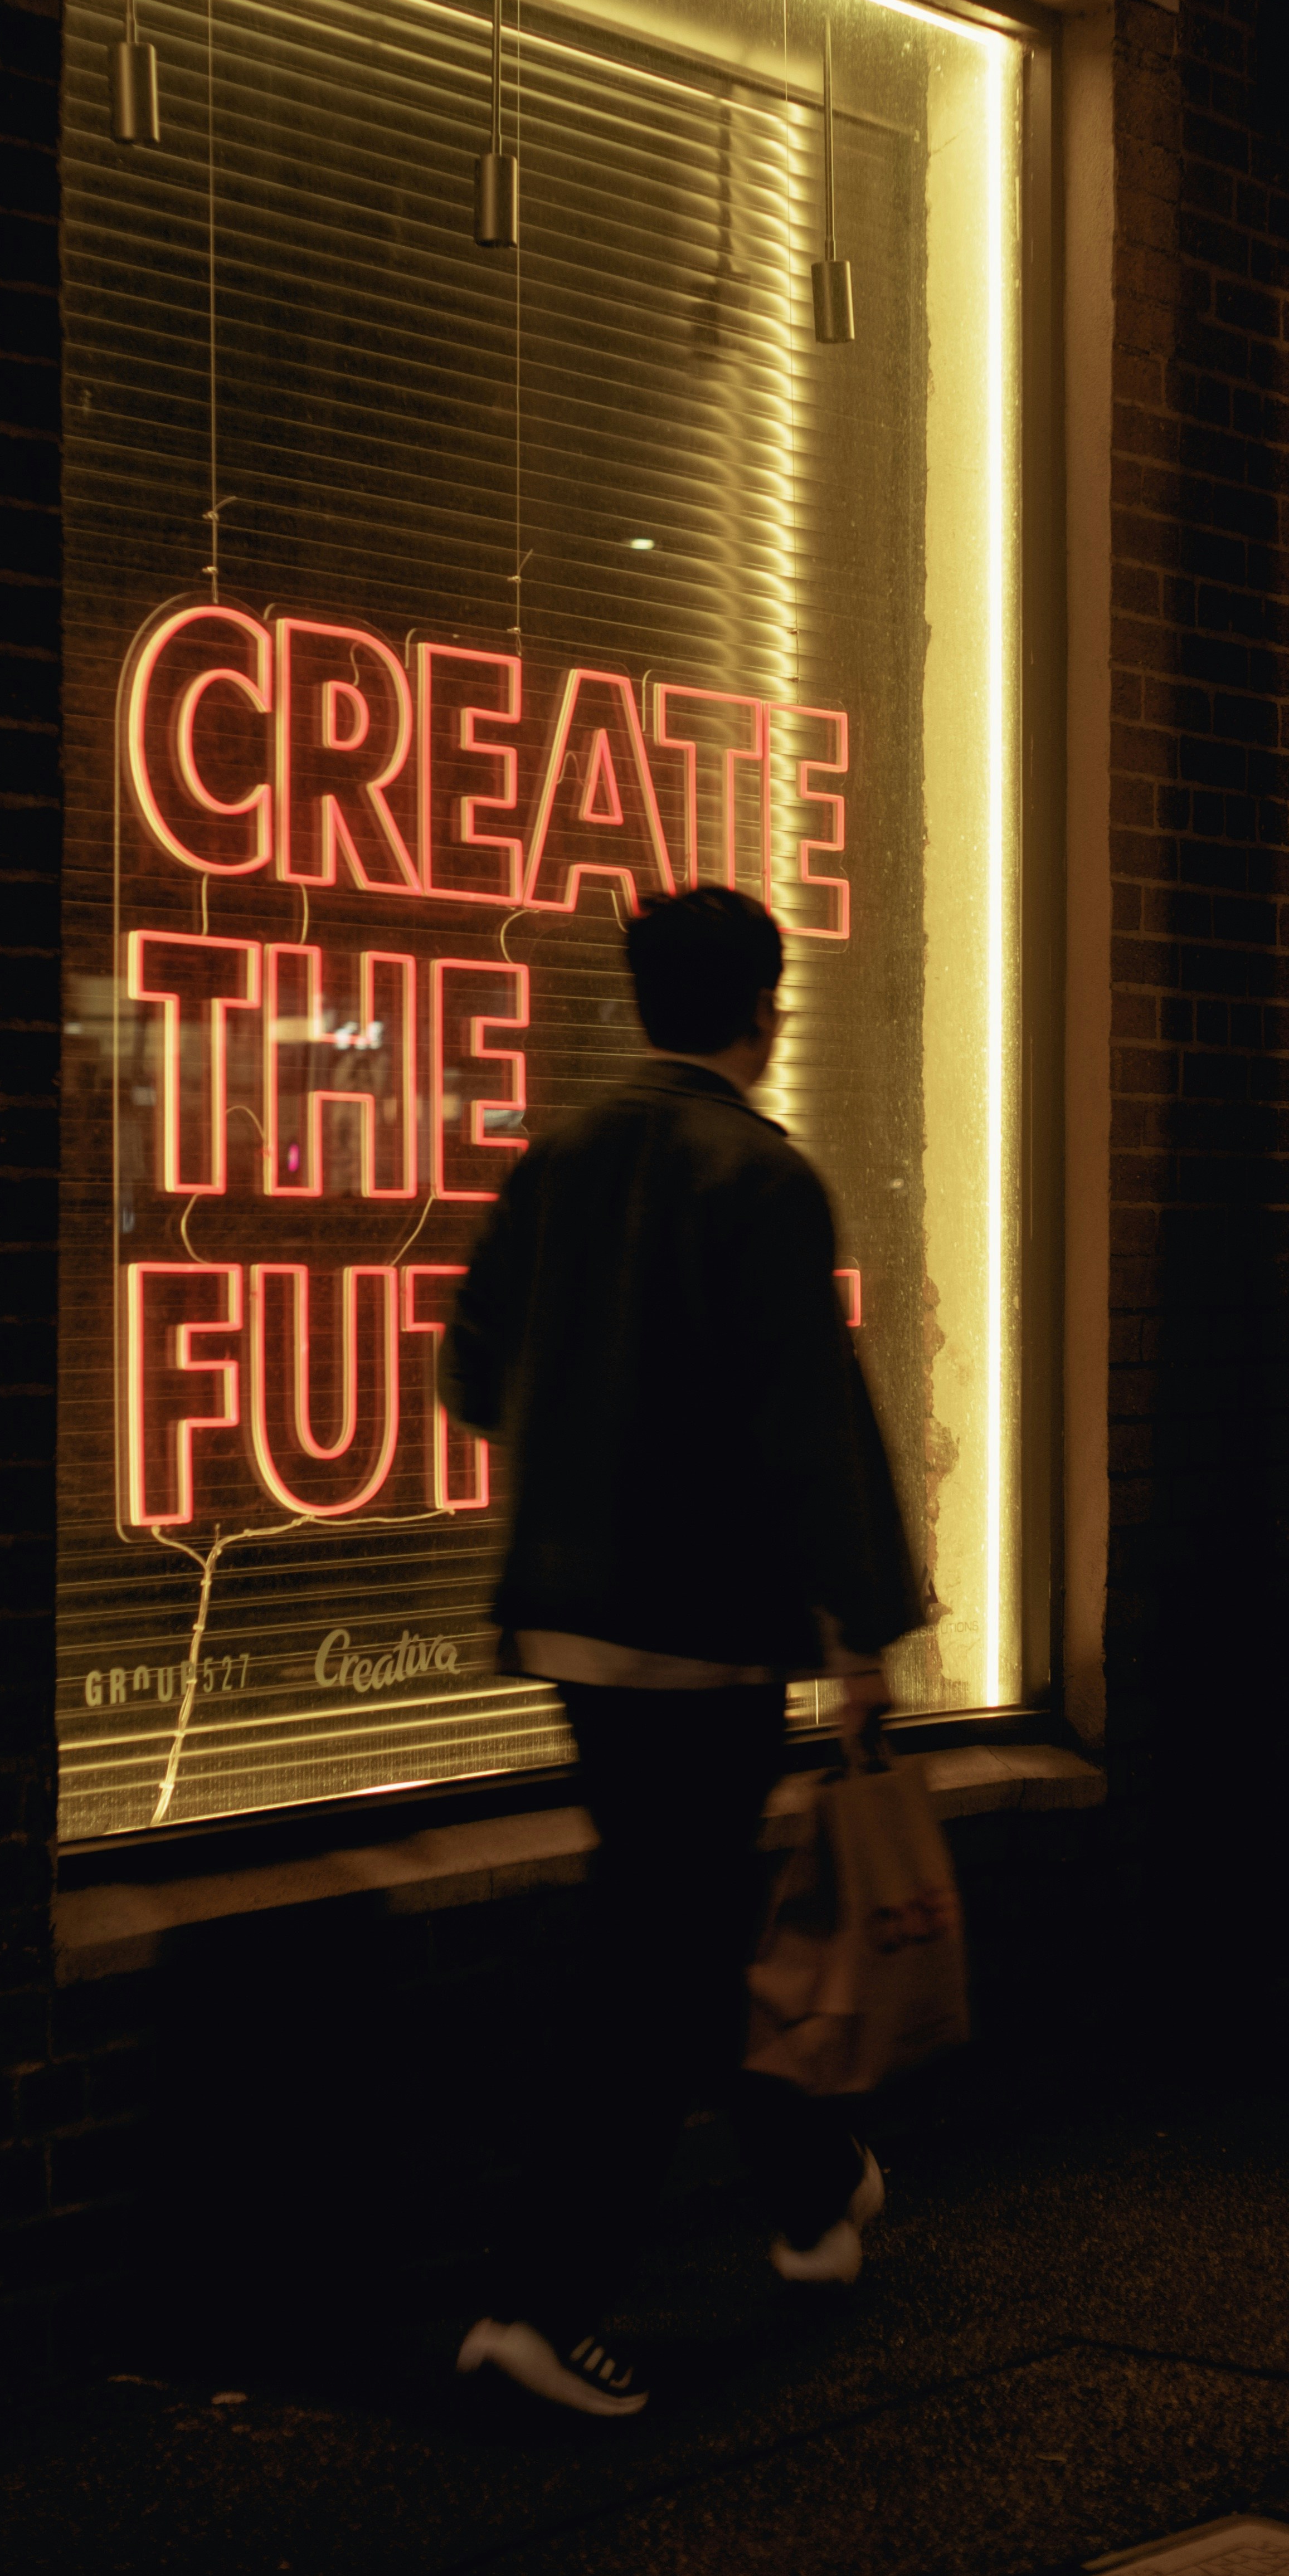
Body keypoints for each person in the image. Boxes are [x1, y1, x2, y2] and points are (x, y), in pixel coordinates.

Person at [443, 885, 922, 2421]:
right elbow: (808, 1430)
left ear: (644, 1004)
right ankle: (539, 2302)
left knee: (674, 1930)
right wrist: (861, 1630)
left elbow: (469, 1374)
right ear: (762, 1012)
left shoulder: (559, 1161)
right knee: (657, 1966)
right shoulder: (763, 1179)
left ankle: (807, 2190)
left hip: (575, 1627)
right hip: (706, 1643)